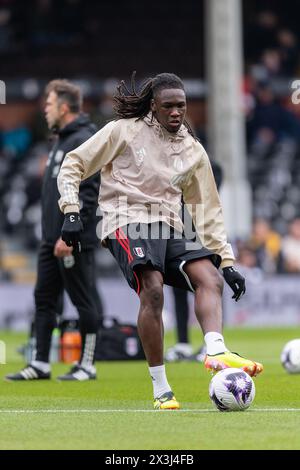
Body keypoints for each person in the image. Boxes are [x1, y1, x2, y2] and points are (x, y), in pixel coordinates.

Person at [57, 72, 263, 409]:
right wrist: (71, 210)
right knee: (152, 289)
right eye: (167, 106)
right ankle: (161, 387)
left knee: (209, 277)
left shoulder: (192, 150)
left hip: (168, 225)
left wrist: (226, 262)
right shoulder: (122, 131)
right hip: (125, 219)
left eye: (181, 105)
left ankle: (215, 350)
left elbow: (207, 209)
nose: (175, 112)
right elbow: (73, 163)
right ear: (152, 106)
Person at [6, 79, 103, 382]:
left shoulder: (85, 139)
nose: (44, 110)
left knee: (83, 299)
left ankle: (87, 364)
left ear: (63, 107)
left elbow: (88, 193)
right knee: (44, 299)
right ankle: (40, 363)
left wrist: (68, 234)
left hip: (71, 239)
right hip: (50, 239)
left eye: (48, 104)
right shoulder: (61, 139)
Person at [165, 161, 223, 362]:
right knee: (178, 289)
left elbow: (216, 182)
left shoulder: (201, 160)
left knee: (206, 285)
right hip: (180, 231)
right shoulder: (174, 163)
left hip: (199, 232)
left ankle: (212, 344)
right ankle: (183, 343)